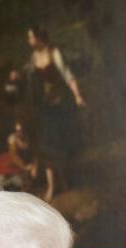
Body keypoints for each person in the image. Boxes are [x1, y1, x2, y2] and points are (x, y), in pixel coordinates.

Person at [24, 26, 85, 202]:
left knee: (60, 145)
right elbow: (32, 83)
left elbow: (67, 75)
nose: (29, 41)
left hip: (61, 105)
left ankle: (65, 182)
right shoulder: (33, 58)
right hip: (45, 108)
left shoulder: (54, 52)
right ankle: (52, 186)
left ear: (38, 37)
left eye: (30, 37)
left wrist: (78, 96)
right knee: (46, 145)